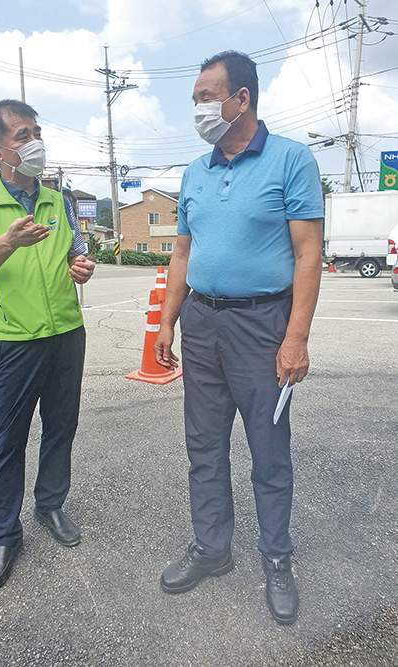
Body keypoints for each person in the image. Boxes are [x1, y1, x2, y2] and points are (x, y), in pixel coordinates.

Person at [154, 51, 323, 625]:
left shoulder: (291, 160)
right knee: (203, 444)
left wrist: (295, 337)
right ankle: (212, 548)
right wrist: (165, 323)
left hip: (261, 326)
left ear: (241, 99)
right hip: (202, 323)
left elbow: (307, 254)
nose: (199, 108)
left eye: (207, 96)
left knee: (268, 450)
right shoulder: (195, 172)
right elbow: (181, 253)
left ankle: (276, 557)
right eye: (197, 98)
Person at [0, 99, 94, 590]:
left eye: (36, 131)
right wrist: (8, 242)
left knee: (61, 427)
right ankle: (4, 535)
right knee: (8, 440)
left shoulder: (59, 201)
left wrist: (83, 267)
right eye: (21, 136)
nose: (34, 142)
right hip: (15, 341)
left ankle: (50, 506)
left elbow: (78, 254)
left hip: (66, 333)